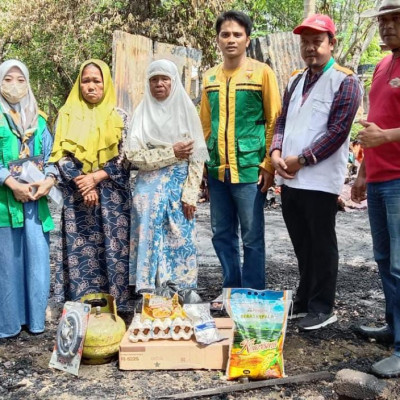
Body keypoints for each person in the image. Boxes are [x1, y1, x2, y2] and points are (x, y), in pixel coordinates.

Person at [270, 14, 362, 330]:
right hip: (291, 177)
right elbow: (282, 121)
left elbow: (337, 131)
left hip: (320, 180)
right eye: (305, 42)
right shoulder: (296, 79)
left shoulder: (346, 81)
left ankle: (323, 307)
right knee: (301, 242)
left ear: (331, 43)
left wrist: (302, 160)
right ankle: (305, 297)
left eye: (317, 41)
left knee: (322, 243)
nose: (310, 48)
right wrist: (276, 152)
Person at [199, 11, 281, 299]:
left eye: (237, 34)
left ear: (247, 39)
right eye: (225, 34)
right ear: (218, 40)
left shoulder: (262, 73)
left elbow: (274, 120)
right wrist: (201, 166)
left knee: (252, 236)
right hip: (217, 169)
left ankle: (253, 292)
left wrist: (268, 164)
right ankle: (231, 288)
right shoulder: (209, 77)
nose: (231, 39)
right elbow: (205, 126)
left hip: (250, 169)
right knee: (222, 233)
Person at [51, 59, 133, 311]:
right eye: (86, 81)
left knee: (114, 247)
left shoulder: (120, 116)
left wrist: (96, 178)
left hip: (112, 197)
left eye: (97, 81)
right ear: (79, 84)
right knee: (81, 247)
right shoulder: (65, 115)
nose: (91, 86)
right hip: (78, 198)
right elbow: (59, 157)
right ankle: (81, 306)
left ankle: (118, 306)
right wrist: (83, 183)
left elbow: (127, 156)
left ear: (106, 83)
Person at [126, 59, 208, 292]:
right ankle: (148, 291)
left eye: (164, 79)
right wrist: (171, 152)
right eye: (153, 79)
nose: (159, 84)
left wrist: (191, 194)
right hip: (147, 187)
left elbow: (197, 155)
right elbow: (134, 155)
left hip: (179, 186)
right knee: (149, 235)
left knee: (178, 235)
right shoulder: (141, 112)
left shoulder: (186, 109)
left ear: (174, 82)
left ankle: (180, 291)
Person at [352, 0, 400, 378]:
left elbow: (383, 131)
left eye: (395, 20)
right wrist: (364, 171)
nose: (387, 27)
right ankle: (393, 326)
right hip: (381, 178)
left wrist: (386, 136)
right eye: (382, 22)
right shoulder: (383, 66)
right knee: (384, 260)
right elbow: (375, 127)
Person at [0, 60, 57, 338]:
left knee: (36, 261)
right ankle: (8, 324)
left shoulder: (39, 119)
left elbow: (51, 157)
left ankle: (34, 320)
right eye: (7, 79)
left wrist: (49, 180)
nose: (14, 85)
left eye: (20, 80)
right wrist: (10, 183)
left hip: (35, 202)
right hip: (4, 204)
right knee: (7, 264)